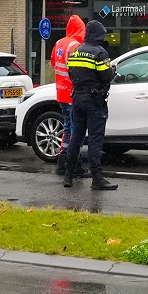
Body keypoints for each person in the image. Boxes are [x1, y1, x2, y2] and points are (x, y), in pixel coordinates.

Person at [64, 21, 117, 191]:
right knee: (95, 140)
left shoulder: (74, 52)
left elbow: (70, 73)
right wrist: (112, 70)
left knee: (76, 138)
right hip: (95, 101)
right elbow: (107, 76)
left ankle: (68, 175)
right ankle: (97, 178)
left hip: (77, 99)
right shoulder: (99, 53)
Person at [50, 14, 87, 179]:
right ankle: (74, 164)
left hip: (61, 92)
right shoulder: (76, 46)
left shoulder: (59, 43)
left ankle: (63, 161)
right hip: (72, 93)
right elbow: (78, 71)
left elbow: (53, 65)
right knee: (75, 130)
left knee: (67, 127)